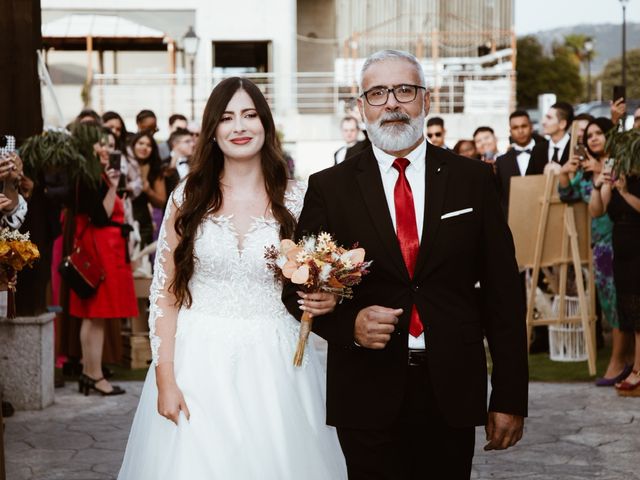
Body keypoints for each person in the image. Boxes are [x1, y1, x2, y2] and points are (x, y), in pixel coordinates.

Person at [283, 49, 528, 480]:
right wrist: (350, 324)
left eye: (404, 90)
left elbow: (503, 293)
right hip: (364, 391)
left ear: (426, 101)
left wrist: (509, 396)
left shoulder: (473, 180)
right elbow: (296, 287)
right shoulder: (330, 188)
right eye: (377, 93)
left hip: (451, 388)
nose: (392, 103)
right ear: (361, 108)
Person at [118, 77, 347, 479]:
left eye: (249, 115)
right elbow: (166, 293)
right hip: (197, 363)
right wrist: (165, 378)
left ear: (265, 124)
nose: (239, 127)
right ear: (212, 130)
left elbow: (318, 277)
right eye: (226, 118)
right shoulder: (187, 197)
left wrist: (327, 294)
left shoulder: (299, 197)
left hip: (279, 366)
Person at [558, 117, 632, 386]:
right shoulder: (585, 171)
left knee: (625, 302)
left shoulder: (621, 163)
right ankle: (623, 360)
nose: (594, 138)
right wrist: (565, 172)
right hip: (600, 244)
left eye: (599, 133)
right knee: (611, 303)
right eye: (589, 135)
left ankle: (620, 362)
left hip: (625, 237)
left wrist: (602, 170)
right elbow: (567, 194)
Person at [69, 126, 138, 396]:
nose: (108, 150)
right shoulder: (89, 176)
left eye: (110, 145)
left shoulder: (87, 174)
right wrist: (113, 185)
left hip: (99, 248)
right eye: (103, 145)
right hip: (100, 250)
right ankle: (95, 376)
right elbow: (100, 215)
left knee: (91, 316)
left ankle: (90, 373)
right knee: (95, 315)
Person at [591, 147, 640, 397]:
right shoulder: (619, 168)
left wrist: (623, 191)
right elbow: (597, 210)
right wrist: (599, 185)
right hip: (621, 248)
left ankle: (638, 371)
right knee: (629, 309)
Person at [495, 111, 542, 216]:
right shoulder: (501, 161)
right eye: (515, 128)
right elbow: (500, 195)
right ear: (510, 131)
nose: (520, 131)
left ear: (531, 127)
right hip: (512, 218)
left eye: (524, 126)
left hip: (542, 213)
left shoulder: (544, 153)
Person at [129, 131, 166, 248]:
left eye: (149, 145)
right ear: (133, 145)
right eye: (141, 143)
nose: (144, 147)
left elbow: (161, 202)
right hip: (122, 220)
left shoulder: (154, 170)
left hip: (142, 223)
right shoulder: (123, 165)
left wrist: (148, 190)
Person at [532, 101, 574, 168]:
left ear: (562, 124)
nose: (543, 122)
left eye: (549, 118)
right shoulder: (537, 150)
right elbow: (529, 178)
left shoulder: (576, 149)